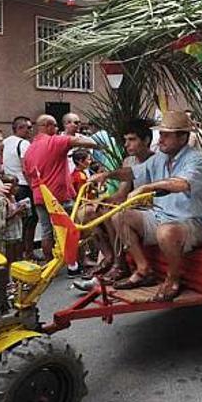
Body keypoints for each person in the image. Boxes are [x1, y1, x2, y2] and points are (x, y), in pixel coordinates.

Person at [88, 110, 202, 301]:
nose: (160, 139)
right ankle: (143, 269)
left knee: (166, 232)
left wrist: (147, 187)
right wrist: (107, 175)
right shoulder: (160, 158)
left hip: (191, 221)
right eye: (160, 134)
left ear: (182, 137)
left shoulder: (196, 160)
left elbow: (181, 184)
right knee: (119, 215)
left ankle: (173, 279)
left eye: (166, 135)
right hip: (161, 217)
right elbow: (132, 172)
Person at [73, 119, 155, 291]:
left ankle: (119, 263)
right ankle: (110, 258)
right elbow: (121, 193)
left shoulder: (155, 160)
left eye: (132, 139)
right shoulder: (128, 161)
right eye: (125, 140)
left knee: (113, 212)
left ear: (146, 140)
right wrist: (104, 201)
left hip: (149, 207)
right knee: (90, 211)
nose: (127, 144)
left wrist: (118, 202)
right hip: (132, 203)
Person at [23, 114, 103, 275]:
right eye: (54, 126)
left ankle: (50, 266)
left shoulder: (30, 149)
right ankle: (75, 264)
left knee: (46, 231)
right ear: (46, 126)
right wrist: (101, 145)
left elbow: (26, 173)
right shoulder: (54, 141)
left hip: (40, 195)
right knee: (74, 229)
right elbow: (78, 141)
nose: (57, 129)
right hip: (59, 196)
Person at [2, 116, 37, 259]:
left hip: (12, 185)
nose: (31, 130)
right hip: (24, 185)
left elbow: (0, 152)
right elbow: (25, 168)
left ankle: (18, 252)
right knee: (30, 220)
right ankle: (28, 252)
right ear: (20, 128)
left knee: (18, 220)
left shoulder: (6, 141)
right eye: (28, 127)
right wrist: (32, 185)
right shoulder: (23, 144)